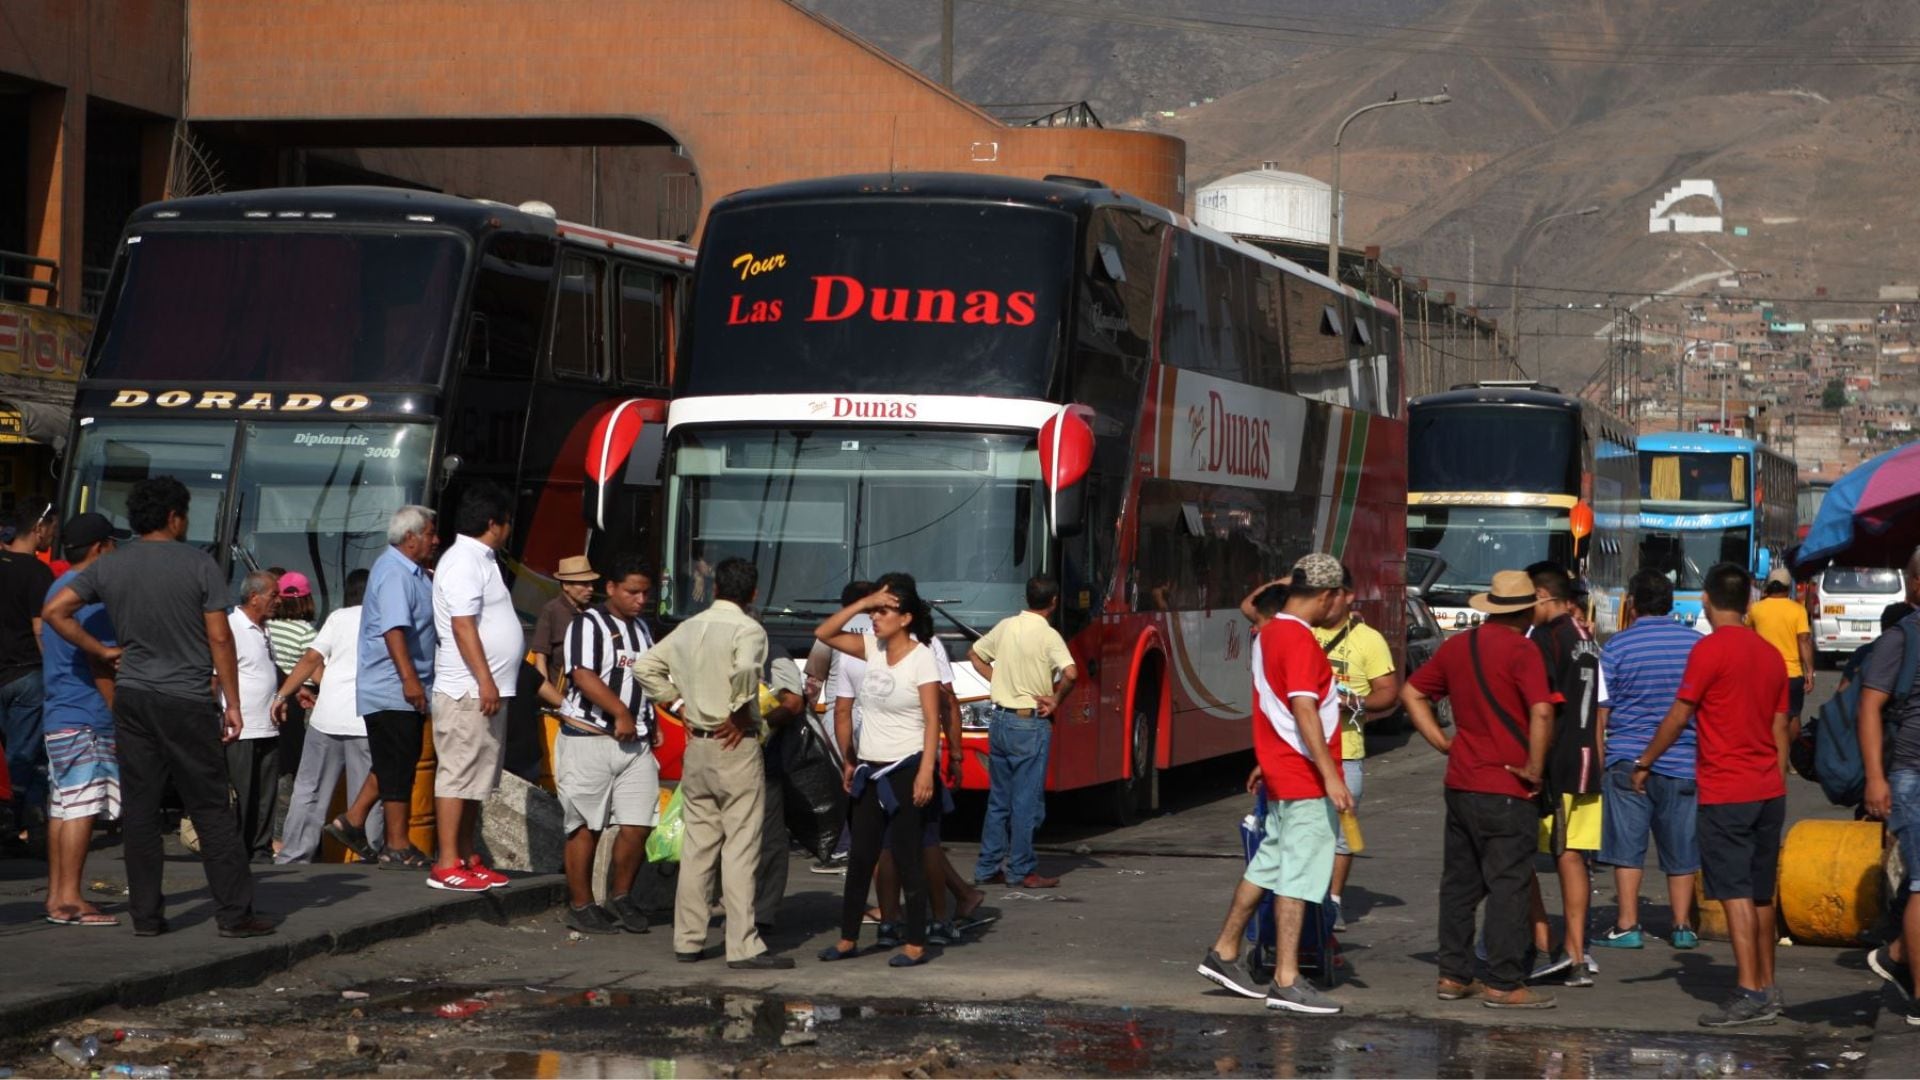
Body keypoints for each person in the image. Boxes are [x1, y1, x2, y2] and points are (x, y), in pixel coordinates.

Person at [44, 476, 273, 938]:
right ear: (175, 517)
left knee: (142, 811)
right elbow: (219, 636)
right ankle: (233, 913)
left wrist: (101, 650)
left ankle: (147, 917)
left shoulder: (110, 566)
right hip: (185, 698)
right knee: (210, 807)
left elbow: (55, 612)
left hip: (132, 698)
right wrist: (230, 700)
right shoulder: (199, 564)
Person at [1632, 562, 1791, 1027]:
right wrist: (1776, 778)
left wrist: (1644, 762)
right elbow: (1781, 726)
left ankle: (1748, 991)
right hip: (1768, 789)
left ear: (1706, 599)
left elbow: (1679, 716)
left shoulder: (1709, 651)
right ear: (1748, 602)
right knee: (1762, 894)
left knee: (1734, 892)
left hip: (1727, 789)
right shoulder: (1769, 654)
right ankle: (1766, 986)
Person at [1196, 553, 1352, 1015]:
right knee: (1298, 877)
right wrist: (1329, 776)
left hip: (1282, 769)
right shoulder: (1301, 641)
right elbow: (1303, 709)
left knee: (1266, 866)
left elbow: (1278, 707)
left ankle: (1225, 951)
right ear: (1325, 597)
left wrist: (1270, 760)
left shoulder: (1268, 632)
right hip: (1303, 776)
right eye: (1339, 598)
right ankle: (1286, 980)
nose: (1341, 607)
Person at [1399, 568, 1557, 1009]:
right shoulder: (1524, 651)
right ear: (1526, 610)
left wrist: (1441, 741)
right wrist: (1534, 767)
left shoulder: (1458, 647)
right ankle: (1504, 982)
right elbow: (1542, 713)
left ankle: (1453, 975)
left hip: (1462, 781)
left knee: (1460, 884)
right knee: (1509, 885)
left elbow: (1411, 692)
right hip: (1508, 784)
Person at [632, 557, 792, 969]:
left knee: (699, 847)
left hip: (697, 745)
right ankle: (743, 945)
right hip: (735, 746)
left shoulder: (688, 627)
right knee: (740, 849)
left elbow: (644, 666)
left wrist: (678, 703)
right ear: (753, 593)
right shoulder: (749, 629)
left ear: (717, 587)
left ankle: (688, 940)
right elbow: (745, 671)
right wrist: (740, 712)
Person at [814, 574, 944, 967]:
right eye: (874, 612)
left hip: (905, 769)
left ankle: (916, 943)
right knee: (860, 858)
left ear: (905, 618)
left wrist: (926, 772)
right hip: (870, 770)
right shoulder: (871, 647)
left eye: (883, 612)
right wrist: (865, 600)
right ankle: (848, 939)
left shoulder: (922, 657)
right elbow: (825, 631)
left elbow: (931, 721)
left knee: (907, 856)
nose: (875, 618)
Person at [1591, 569, 1704, 953]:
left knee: (1626, 845)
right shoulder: (1697, 646)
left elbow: (1601, 713)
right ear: (1671, 603)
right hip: (1685, 760)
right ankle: (1683, 925)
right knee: (1682, 847)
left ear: (1633, 604)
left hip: (1627, 757)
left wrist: (1600, 760)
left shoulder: (1616, 647)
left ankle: (1627, 924)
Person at [554, 556, 659, 935]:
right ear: (611, 588)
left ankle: (621, 895)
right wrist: (619, 712)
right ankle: (581, 904)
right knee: (585, 826)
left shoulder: (644, 630)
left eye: (645, 592)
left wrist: (655, 719)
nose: (640, 599)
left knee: (638, 824)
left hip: (636, 745)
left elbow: (648, 680)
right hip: (589, 738)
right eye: (632, 592)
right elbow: (581, 674)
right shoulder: (587, 624)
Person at [428, 481, 524, 891]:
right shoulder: (463, 561)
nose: (509, 530)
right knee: (458, 774)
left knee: (476, 780)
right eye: (507, 522)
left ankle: (467, 855)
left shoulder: (483, 560)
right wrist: (484, 679)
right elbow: (462, 625)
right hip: (467, 688)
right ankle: (446, 860)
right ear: (493, 523)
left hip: (486, 690)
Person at [40, 512, 125, 925]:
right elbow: (103, 667)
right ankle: (71, 901)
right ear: (100, 548)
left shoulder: (61, 588)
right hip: (86, 716)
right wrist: (120, 720)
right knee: (82, 808)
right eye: (112, 543)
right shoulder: (91, 598)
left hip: (60, 712)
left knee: (63, 807)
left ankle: (58, 897)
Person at [1525, 563, 1606, 987]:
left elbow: (1543, 707)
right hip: (1588, 760)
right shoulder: (1585, 638)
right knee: (1574, 859)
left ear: (1541, 595)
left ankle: (1547, 942)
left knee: (1522, 855)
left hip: (1557, 761)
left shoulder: (1545, 638)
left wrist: (1534, 766)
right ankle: (1577, 953)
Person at [969, 576, 1078, 889]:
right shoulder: (1049, 635)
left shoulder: (1006, 626)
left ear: (1027, 597)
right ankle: (1021, 868)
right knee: (1026, 801)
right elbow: (1071, 673)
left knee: (999, 799)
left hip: (999, 720)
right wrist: (1056, 699)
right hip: (1028, 723)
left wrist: (999, 682)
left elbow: (976, 655)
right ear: (1054, 601)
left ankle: (988, 866)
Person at [272, 569, 384, 864]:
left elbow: (311, 659)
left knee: (308, 789)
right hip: (367, 719)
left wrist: (283, 694)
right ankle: (367, 855)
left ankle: (294, 854)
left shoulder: (338, 618)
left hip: (327, 717)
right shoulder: (387, 619)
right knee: (367, 796)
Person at [1313, 564, 1398, 931]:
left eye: (1333, 593)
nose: (1324, 601)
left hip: (1346, 752)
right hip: (1301, 751)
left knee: (1342, 834)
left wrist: (1353, 704)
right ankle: (1302, 899)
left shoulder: (1369, 640)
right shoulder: (1300, 632)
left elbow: (1389, 694)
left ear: (1348, 596)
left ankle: (1332, 902)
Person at [353, 505, 439, 869]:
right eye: (431, 534)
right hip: (393, 686)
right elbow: (393, 630)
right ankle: (397, 844)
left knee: (396, 760)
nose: (436, 540)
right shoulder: (393, 572)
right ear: (410, 538)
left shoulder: (414, 573)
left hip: (403, 685)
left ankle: (352, 820)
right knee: (398, 766)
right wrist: (409, 680)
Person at [1856, 548, 1920, 1023]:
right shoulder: (1903, 637)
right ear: (1916, 585)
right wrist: (1876, 779)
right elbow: (1869, 708)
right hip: (1911, 776)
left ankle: (1897, 955)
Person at [802, 581, 873, 875]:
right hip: (874, 717)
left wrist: (805, 718)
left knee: (841, 782)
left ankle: (843, 845)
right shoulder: (881, 628)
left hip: (838, 717)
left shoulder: (832, 630)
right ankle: (868, 842)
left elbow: (813, 683)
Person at [0, 498, 55, 849]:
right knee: (24, 755)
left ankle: (23, 825)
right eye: (52, 527)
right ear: (38, 529)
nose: (53, 534)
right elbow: (40, 629)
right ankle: (13, 823)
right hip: (27, 676)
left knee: (10, 754)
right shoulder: (37, 572)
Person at [226, 571, 285, 862]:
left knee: (265, 795)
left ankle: (259, 848)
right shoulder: (231, 628)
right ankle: (237, 851)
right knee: (243, 795)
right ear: (254, 597)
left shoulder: (264, 629)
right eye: (274, 595)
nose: (279, 600)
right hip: (242, 729)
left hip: (268, 726)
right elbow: (215, 676)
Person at [753, 654, 807, 933]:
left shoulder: (776, 657)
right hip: (721, 761)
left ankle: (762, 911)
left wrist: (758, 725)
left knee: (768, 839)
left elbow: (793, 703)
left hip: (766, 763)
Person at [1747, 566, 1814, 734]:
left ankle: (1769, 749)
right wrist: (1810, 671)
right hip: (1792, 674)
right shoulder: (1798, 610)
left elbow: (1747, 638)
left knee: (1765, 716)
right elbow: (1804, 642)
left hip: (1763, 674)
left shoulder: (1756, 609)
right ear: (1788, 587)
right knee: (1793, 716)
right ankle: (1786, 751)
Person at [533, 555, 598, 711]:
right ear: (566, 586)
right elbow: (540, 655)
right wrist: (548, 694)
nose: (591, 589)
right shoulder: (552, 610)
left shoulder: (593, 612)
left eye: (591, 583)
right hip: (561, 699)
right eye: (584, 584)